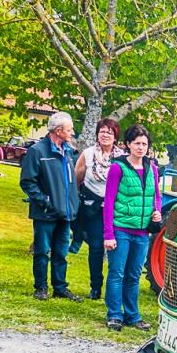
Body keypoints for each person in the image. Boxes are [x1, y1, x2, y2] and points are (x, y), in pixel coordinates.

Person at [103, 124, 162, 331]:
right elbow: (109, 201)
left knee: (134, 275)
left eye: (144, 144)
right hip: (121, 229)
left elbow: (156, 195)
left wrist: (157, 212)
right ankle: (114, 315)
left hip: (142, 232)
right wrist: (108, 234)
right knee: (117, 273)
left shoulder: (152, 169)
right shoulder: (118, 168)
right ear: (128, 144)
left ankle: (132, 315)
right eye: (137, 143)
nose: (141, 147)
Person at [20, 111, 82, 302]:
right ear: (58, 130)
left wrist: (73, 204)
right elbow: (27, 182)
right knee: (41, 251)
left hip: (65, 213)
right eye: (69, 129)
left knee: (61, 252)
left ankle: (60, 287)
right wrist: (45, 202)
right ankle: (40, 287)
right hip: (45, 213)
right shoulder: (37, 151)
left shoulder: (68, 152)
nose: (72, 133)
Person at [70, 118, 124, 299]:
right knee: (95, 247)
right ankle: (95, 286)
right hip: (93, 208)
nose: (105, 135)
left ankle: (115, 287)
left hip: (116, 210)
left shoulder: (123, 158)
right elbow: (77, 180)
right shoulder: (88, 153)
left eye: (109, 132)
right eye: (102, 131)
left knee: (117, 248)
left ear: (115, 136)